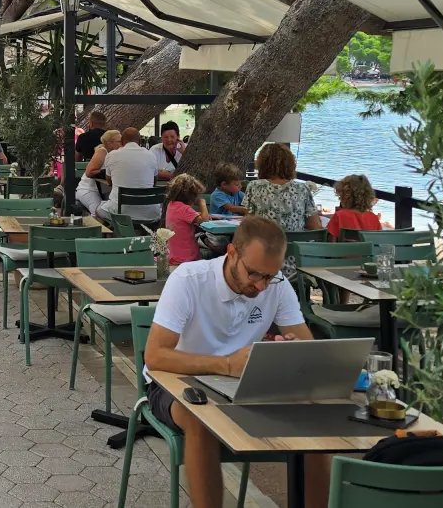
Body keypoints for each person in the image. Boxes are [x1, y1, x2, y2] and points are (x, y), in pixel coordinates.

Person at [144, 216, 324, 508]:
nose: (261, 286)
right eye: (254, 274)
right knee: (202, 420)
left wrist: (289, 351)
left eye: (270, 276)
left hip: (244, 384)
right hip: (174, 383)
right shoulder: (189, 279)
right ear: (231, 253)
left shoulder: (276, 286)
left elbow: (308, 350)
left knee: (314, 417)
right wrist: (227, 364)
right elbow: (155, 357)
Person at [243, 142, 322, 273]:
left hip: (263, 260)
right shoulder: (302, 189)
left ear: (262, 164)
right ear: (290, 164)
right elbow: (315, 227)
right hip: (297, 264)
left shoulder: (254, 187)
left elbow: (249, 226)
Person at [98, 129, 159, 223]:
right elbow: (154, 181)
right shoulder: (151, 155)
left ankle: (117, 231)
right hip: (151, 214)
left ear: (122, 141)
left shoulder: (112, 155)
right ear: (140, 140)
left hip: (120, 213)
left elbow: (109, 180)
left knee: (99, 210)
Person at [163, 173, 209, 266]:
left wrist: (200, 214)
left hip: (174, 254)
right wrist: (202, 205)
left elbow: (184, 217)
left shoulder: (172, 205)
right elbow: (205, 221)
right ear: (191, 196)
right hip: (187, 257)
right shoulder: (185, 209)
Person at [75, 129, 122, 217]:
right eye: (119, 141)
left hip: (104, 190)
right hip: (89, 189)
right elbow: (89, 172)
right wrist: (106, 173)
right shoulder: (102, 151)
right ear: (109, 143)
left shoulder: (117, 154)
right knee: (98, 213)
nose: (122, 144)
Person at [327, 173, 384, 240]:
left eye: (340, 196)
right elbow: (378, 241)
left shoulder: (339, 216)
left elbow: (330, 241)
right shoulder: (374, 218)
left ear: (345, 197)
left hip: (344, 247)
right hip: (366, 247)